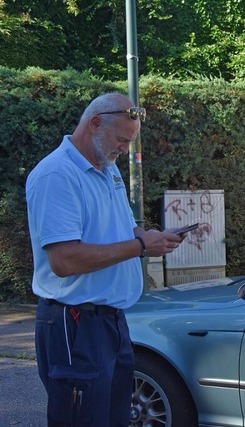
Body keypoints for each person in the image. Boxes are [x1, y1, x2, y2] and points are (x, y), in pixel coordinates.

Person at [25, 93, 185, 427]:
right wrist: (140, 246)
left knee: (113, 418)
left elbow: (126, 228)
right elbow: (64, 260)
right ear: (95, 123)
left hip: (110, 321)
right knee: (82, 419)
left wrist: (153, 238)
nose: (125, 150)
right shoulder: (58, 175)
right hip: (75, 322)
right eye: (122, 140)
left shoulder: (107, 171)